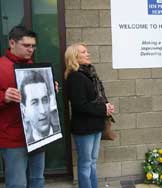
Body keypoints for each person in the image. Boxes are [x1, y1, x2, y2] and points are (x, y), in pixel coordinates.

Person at [64, 43, 115, 188]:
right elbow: (80, 105)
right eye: (83, 52)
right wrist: (103, 109)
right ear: (75, 57)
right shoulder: (75, 77)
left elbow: (96, 99)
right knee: (86, 163)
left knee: (92, 161)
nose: (88, 54)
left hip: (95, 125)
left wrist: (106, 107)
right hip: (84, 127)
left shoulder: (89, 74)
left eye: (87, 51)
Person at [0, 25, 45, 187]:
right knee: (17, 183)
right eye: (26, 45)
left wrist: (49, 88)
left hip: (37, 134)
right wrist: (3, 96)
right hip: (13, 138)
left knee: (37, 180)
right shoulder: (1, 66)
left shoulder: (33, 66)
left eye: (33, 46)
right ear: (12, 43)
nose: (31, 49)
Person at [20, 70, 60, 144]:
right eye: (34, 103)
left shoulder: (61, 132)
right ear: (24, 111)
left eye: (45, 100)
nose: (43, 110)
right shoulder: (27, 142)